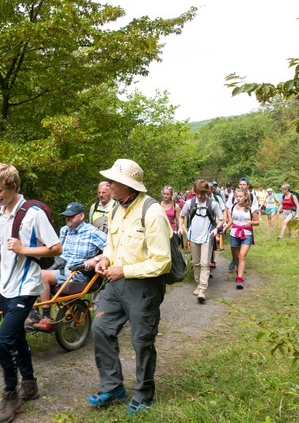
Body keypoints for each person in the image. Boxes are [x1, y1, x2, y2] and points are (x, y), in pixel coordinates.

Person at [0, 163, 62, 423]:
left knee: (4, 343)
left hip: (27, 286)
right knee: (18, 336)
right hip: (5, 287)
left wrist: (24, 250)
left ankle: (11, 394)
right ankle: (29, 384)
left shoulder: (32, 214)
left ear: (13, 187)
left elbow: (56, 248)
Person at [87, 159, 171, 415]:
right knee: (100, 328)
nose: (108, 184)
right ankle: (113, 387)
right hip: (115, 283)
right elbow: (113, 245)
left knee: (141, 341)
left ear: (127, 184)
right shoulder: (116, 209)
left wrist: (124, 270)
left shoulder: (152, 211)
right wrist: (104, 258)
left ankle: (143, 394)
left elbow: (162, 262)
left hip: (143, 286)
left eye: (112, 181)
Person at [29, 202, 107, 331]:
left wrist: (96, 259)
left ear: (81, 216)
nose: (67, 219)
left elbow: (112, 248)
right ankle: (32, 314)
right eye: (66, 216)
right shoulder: (64, 230)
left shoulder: (92, 232)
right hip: (61, 268)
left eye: (71, 216)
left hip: (78, 272)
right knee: (29, 273)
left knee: (42, 275)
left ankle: (46, 317)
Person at [180, 180, 224, 303]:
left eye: (202, 193)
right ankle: (199, 284)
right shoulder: (190, 203)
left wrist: (216, 230)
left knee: (205, 264)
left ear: (207, 192)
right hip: (193, 236)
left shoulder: (213, 204)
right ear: (195, 191)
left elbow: (221, 219)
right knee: (196, 262)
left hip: (206, 237)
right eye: (198, 193)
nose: (199, 196)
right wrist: (182, 227)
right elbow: (181, 216)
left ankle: (202, 289)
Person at [224, 188, 259, 289]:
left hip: (246, 233)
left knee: (242, 255)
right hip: (234, 233)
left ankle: (240, 278)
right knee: (236, 257)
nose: (238, 198)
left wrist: (251, 223)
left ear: (246, 197)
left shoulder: (251, 208)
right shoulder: (232, 207)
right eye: (237, 196)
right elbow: (231, 220)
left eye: (240, 196)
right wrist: (225, 228)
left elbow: (257, 222)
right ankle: (239, 270)